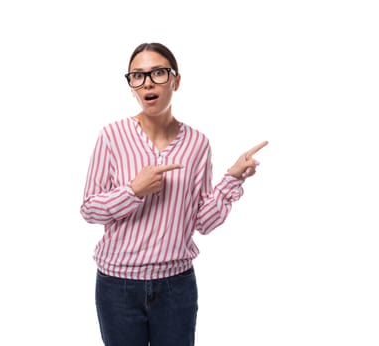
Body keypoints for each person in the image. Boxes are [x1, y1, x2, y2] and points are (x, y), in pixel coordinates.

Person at [80, 42, 268, 346]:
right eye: (137, 76)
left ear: (175, 80)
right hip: (118, 287)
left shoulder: (197, 144)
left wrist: (232, 180)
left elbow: (203, 223)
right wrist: (133, 191)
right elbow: (89, 209)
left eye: (158, 73)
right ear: (131, 85)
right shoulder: (112, 136)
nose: (148, 83)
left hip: (176, 286)